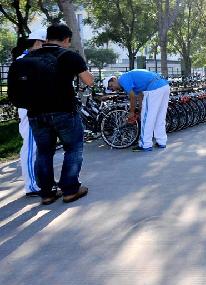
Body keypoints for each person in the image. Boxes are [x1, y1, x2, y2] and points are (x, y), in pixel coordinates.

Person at [27, 24, 94, 205]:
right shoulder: (69, 56)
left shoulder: (30, 56)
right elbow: (89, 81)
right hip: (63, 111)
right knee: (73, 148)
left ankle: (47, 194)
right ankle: (70, 190)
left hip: (35, 113)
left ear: (47, 38)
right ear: (66, 40)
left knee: (44, 152)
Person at [103, 70, 170, 152]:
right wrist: (141, 109)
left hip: (154, 88)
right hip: (164, 85)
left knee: (147, 119)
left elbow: (132, 97)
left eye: (111, 86)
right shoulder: (129, 78)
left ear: (114, 79)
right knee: (160, 117)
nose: (113, 89)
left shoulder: (123, 79)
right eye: (111, 89)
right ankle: (161, 141)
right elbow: (140, 94)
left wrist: (131, 112)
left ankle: (145, 144)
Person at [16, 29, 47, 197]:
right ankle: (31, 185)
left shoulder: (30, 60)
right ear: (37, 43)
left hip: (37, 108)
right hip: (29, 108)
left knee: (39, 147)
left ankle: (40, 180)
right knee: (29, 146)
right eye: (43, 43)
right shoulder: (23, 61)